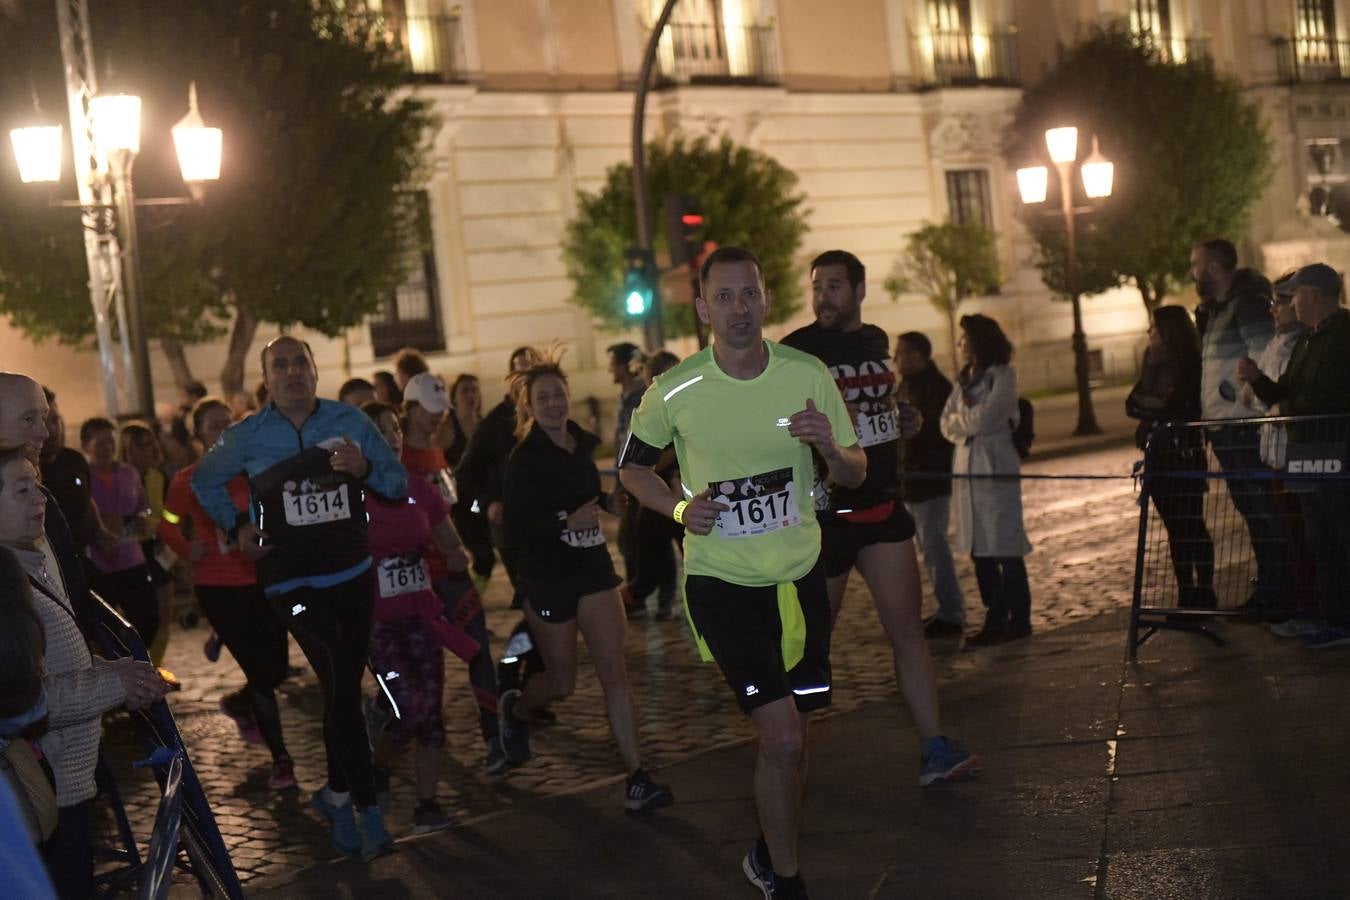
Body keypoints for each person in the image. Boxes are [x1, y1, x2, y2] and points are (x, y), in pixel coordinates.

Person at [620, 246, 866, 899]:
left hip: (799, 577)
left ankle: (767, 849)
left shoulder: (806, 373)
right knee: (781, 734)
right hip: (723, 584)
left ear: (764, 300)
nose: (738, 308)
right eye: (723, 296)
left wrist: (827, 446)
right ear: (703, 308)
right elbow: (632, 469)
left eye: (748, 294)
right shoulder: (676, 389)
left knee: (795, 740)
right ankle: (787, 881)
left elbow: (855, 470)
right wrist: (678, 508)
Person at [191, 335, 406, 860]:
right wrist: (238, 525)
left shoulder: (350, 422)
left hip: (352, 574)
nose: (291, 372)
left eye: (299, 362)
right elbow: (204, 481)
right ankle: (368, 811)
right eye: (279, 364)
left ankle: (334, 795)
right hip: (291, 581)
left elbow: (398, 484)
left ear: (314, 369)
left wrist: (365, 469)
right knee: (341, 682)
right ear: (266, 377)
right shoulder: (246, 436)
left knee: (340, 690)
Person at [783, 250, 977, 787]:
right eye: (817, 286)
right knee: (810, 643)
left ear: (860, 290)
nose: (824, 296)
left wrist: (903, 422)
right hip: (827, 517)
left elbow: (876, 413)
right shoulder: (798, 350)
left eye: (835, 286)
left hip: (882, 506)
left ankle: (934, 746)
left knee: (907, 630)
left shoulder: (875, 343)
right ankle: (788, 752)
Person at [498, 351, 674, 813]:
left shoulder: (582, 443)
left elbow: (583, 498)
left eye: (559, 394)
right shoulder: (522, 460)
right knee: (561, 684)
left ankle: (637, 776)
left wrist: (605, 502)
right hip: (548, 578)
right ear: (529, 406)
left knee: (614, 671)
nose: (554, 403)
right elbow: (514, 530)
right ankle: (515, 709)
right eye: (543, 398)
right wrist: (562, 521)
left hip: (594, 570)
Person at [0, 445, 167, 899]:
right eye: (22, 489)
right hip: (42, 789)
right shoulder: (7, 584)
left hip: (66, 785)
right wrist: (113, 683)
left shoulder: (28, 566)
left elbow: (57, 663)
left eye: (37, 484)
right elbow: (23, 700)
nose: (40, 498)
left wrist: (114, 672)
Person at [158, 398, 297, 789]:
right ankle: (281, 759)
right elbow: (166, 524)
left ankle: (238, 703)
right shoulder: (187, 479)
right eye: (212, 425)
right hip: (217, 587)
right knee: (261, 673)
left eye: (227, 423)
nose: (221, 430)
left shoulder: (252, 470)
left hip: (262, 579)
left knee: (277, 667)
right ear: (198, 434)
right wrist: (188, 550)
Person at [361, 400, 476, 831]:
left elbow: (450, 541)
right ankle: (378, 760)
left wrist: (459, 555)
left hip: (421, 614)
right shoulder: (351, 495)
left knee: (431, 713)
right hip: (376, 621)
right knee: (409, 709)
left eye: (393, 427)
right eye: (378, 429)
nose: (390, 435)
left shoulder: (419, 488)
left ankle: (427, 805)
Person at [396, 373, 506, 775]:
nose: (438, 420)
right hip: (418, 579)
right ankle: (412, 744)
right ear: (409, 410)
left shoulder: (437, 454)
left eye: (441, 412)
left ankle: (494, 736)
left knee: (478, 649)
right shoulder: (399, 457)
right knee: (423, 670)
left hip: (452, 573)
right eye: (430, 413)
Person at [1239, 262, 1350, 648]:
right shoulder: (1305, 340)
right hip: (1304, 449)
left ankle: (1341, 617)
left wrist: (1291, 402)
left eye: (1296, 295)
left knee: (1339, 533)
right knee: (1319, 536)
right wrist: (1257, 381)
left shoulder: (1343, 335)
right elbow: (1282, 391)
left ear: (1314, 295)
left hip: (1335, 448)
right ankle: (1331, 615)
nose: (1290, 304)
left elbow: (1329, 395)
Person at [1190, 238, 1287, 606]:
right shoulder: (1217, 310)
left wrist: (1238, 395)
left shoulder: (1245, 304)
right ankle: (1269, 588)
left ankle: (1282, 590)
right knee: (1251, 510)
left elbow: (1264, 358)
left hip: (1241, 423)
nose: (1192, 272)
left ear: (1214, 267)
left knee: (1265, 509)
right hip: (1223, 424)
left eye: (1196, 264)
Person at [940, 314, 1033, 646]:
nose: (961, 344)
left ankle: (1019, 618)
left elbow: (990, 418)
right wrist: (970, 420)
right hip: (967, 468)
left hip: (994, 467)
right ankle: (995, 616)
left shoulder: (1004, 376)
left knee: (1005, 545)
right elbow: (944, 423)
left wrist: (965, 420)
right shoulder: (965, 379)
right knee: (979, 549)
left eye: (965, 338)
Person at [1238, 274, 1317, 620]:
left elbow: (1282, 398)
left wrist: (1261, 390)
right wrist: (1254, 385)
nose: (1274, 310)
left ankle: (1307, 604)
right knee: (1285, 532)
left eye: (1280, 302)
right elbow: (1258, 399)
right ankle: (1294, 599)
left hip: (1292, 452)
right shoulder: (1276, 343)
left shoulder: (1302, 344)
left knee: (1301, 535)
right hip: (1273, 452)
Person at [1126, 306, 1216, 610]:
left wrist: (1154, 407)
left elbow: (1174, 406)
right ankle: (1186, 593)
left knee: (1191, 524)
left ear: (1170, 331)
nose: (1149, 333)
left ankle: (1204, 590)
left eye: (1154, 327)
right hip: (1159, 454)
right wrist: (1156, 405)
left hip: (1184, 452)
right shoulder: (1151, 363)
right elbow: (1131, 404)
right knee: (1175, 529)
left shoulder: (1189, 363)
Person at [0, 374, 97, 634]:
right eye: (28, 419)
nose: (45, 432)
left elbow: (71, 583)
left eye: (45, 418)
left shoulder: (44, 499)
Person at [893, 332, 966, 636]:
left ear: (917, 355)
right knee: (927, 547)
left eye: (902, 354)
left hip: (931, 479)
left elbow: (939, 434)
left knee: (935, 547)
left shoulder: (935, 388)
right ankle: (946, 608)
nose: (897, 360)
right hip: (913, 478)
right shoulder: (907, 385)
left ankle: (952, 611)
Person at [81, 417, 161, 651]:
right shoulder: (84, 477)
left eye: (111, 442)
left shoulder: (128, 472)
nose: (107, 448)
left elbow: (143, 506)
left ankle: (139, 661)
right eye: (100, 443)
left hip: (132, 559)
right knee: (106, 626)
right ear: (86, 445)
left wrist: (143, 519)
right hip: (100, 564)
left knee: (148, 618)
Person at [622, 351, 683, 621]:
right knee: (649, 568)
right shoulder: (649, 413)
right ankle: (617, 601)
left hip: (687, 498)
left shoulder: (691, 406)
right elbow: (641, 466)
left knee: (696, 561)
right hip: (659, 502)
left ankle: (671, 603)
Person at [119, 422, 177, 667]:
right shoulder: (120, 477)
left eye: (149, 444)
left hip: (158, 548)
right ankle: (140, 665)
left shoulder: (158, 476)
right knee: (142, 616)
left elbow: (170, 513)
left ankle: (155, 666)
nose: (147, 450)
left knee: (165, 613)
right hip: (131, 551)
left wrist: (166, 529)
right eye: (140, 446)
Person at [444, 373, 494, 588]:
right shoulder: (447, 426)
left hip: (482, 499)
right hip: (459, 503)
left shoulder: (485, 425)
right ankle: (470, 597)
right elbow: (436, 459)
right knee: (480, 555)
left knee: (486, 557)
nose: (471, 395)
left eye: (474, 389)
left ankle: (473, 595)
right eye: (465, 390)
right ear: (454, 397)